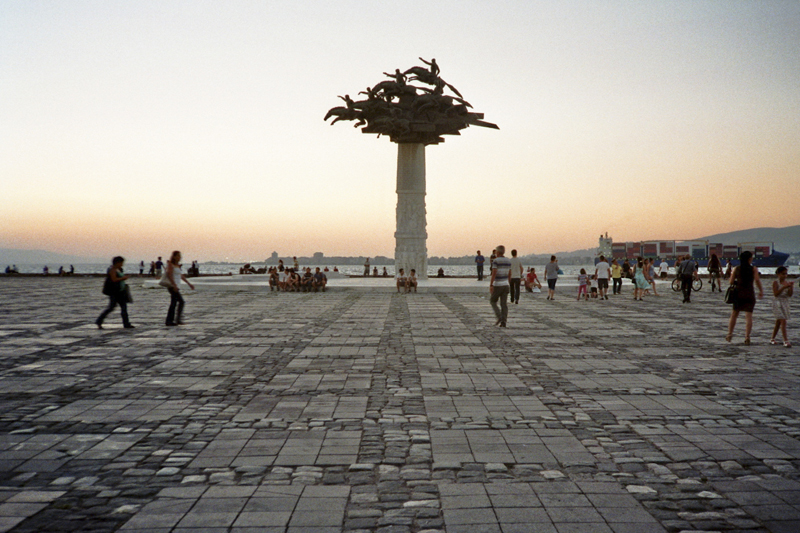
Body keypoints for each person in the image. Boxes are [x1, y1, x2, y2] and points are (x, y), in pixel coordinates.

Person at [726, 251, 763, 345]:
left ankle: (730, 334)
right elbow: (757, 280)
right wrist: (760, 291)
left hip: (738, 293)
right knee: (748, 316)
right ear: (749, 259)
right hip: (749, 293)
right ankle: (747, 336)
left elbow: (730, 281)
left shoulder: (736, 268)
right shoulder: (753, 269)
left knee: (734, 314)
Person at [96, 256, 134, 329]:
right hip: (114, 292)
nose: (122, 264)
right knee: (111, 307)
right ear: (117, 263)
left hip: (120, 292)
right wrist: (123, 278)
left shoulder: (118, 269)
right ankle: (99, 321)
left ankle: (126, 324)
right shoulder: (112, 270)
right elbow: (114, 279)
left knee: (123, 307)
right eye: (121, 263)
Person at [164, 250, 195, 326]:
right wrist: (174, 285)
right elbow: (170, 275)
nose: (179, 257)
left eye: (180, 256)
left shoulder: (177, 265)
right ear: (174, 256)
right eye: (178, 256)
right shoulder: (170, 265)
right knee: (180, 302)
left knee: (174, 303)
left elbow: (181, 276)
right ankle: (172, 320)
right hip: (172, 286)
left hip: (176, 286)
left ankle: (173, 320)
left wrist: (189, 283)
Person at [769, 266, 793, 347]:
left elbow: (789, 295)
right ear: (778, 274)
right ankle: (785, 340)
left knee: (778, 322)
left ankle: (772, 338)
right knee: (783, 321)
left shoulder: (787, 282)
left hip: (785, 302)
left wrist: (791, 287)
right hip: (777, 302)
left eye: (786, 274)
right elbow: (776, 294)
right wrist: (783, 287)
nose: (785, 276)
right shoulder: (775, 282)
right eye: (783, 274)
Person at [489, 245, 511, 327]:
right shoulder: (508, 261)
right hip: (506, 285)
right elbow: (509, 274)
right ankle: (504, 322)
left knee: (493, 301)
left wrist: (491, 284)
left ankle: (499, 317)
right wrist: (508, 283)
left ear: (497, 252)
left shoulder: (495, 261)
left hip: (498, 285)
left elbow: (494, 273)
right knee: (504, 304)